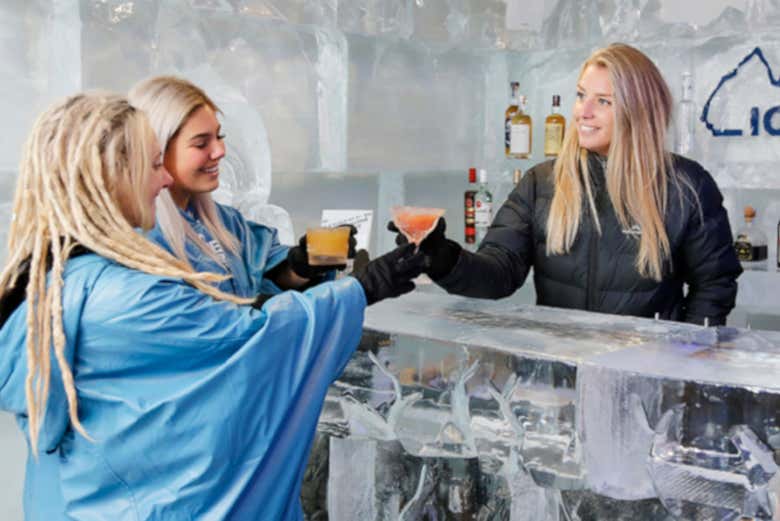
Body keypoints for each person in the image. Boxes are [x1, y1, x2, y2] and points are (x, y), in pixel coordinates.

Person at [0, 93, 423, 520]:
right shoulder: (127, 297)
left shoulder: (61, 277)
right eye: (153, 165)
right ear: (113, 175)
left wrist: (297, 268)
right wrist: (362, 290)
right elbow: (253, 342)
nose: (163, 180)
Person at [394, 43, 741, 325]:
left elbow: (713, 287)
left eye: (603, 101)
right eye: (580, 95)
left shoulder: (685, 186)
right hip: (558, 379)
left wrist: (680, 368)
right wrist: (441, 259)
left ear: (639, 110)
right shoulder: (542, 182)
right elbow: (498, 273)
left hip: (644, 380)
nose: (583, 112)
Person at [128, 75, 351, 300]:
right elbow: (206, 324)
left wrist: (306, 261)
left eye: (219, 136)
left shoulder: (226, 222)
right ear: (158, 149)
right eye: (201, 143)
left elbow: (264, 272)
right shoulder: (140, 240)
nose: (220, 151)